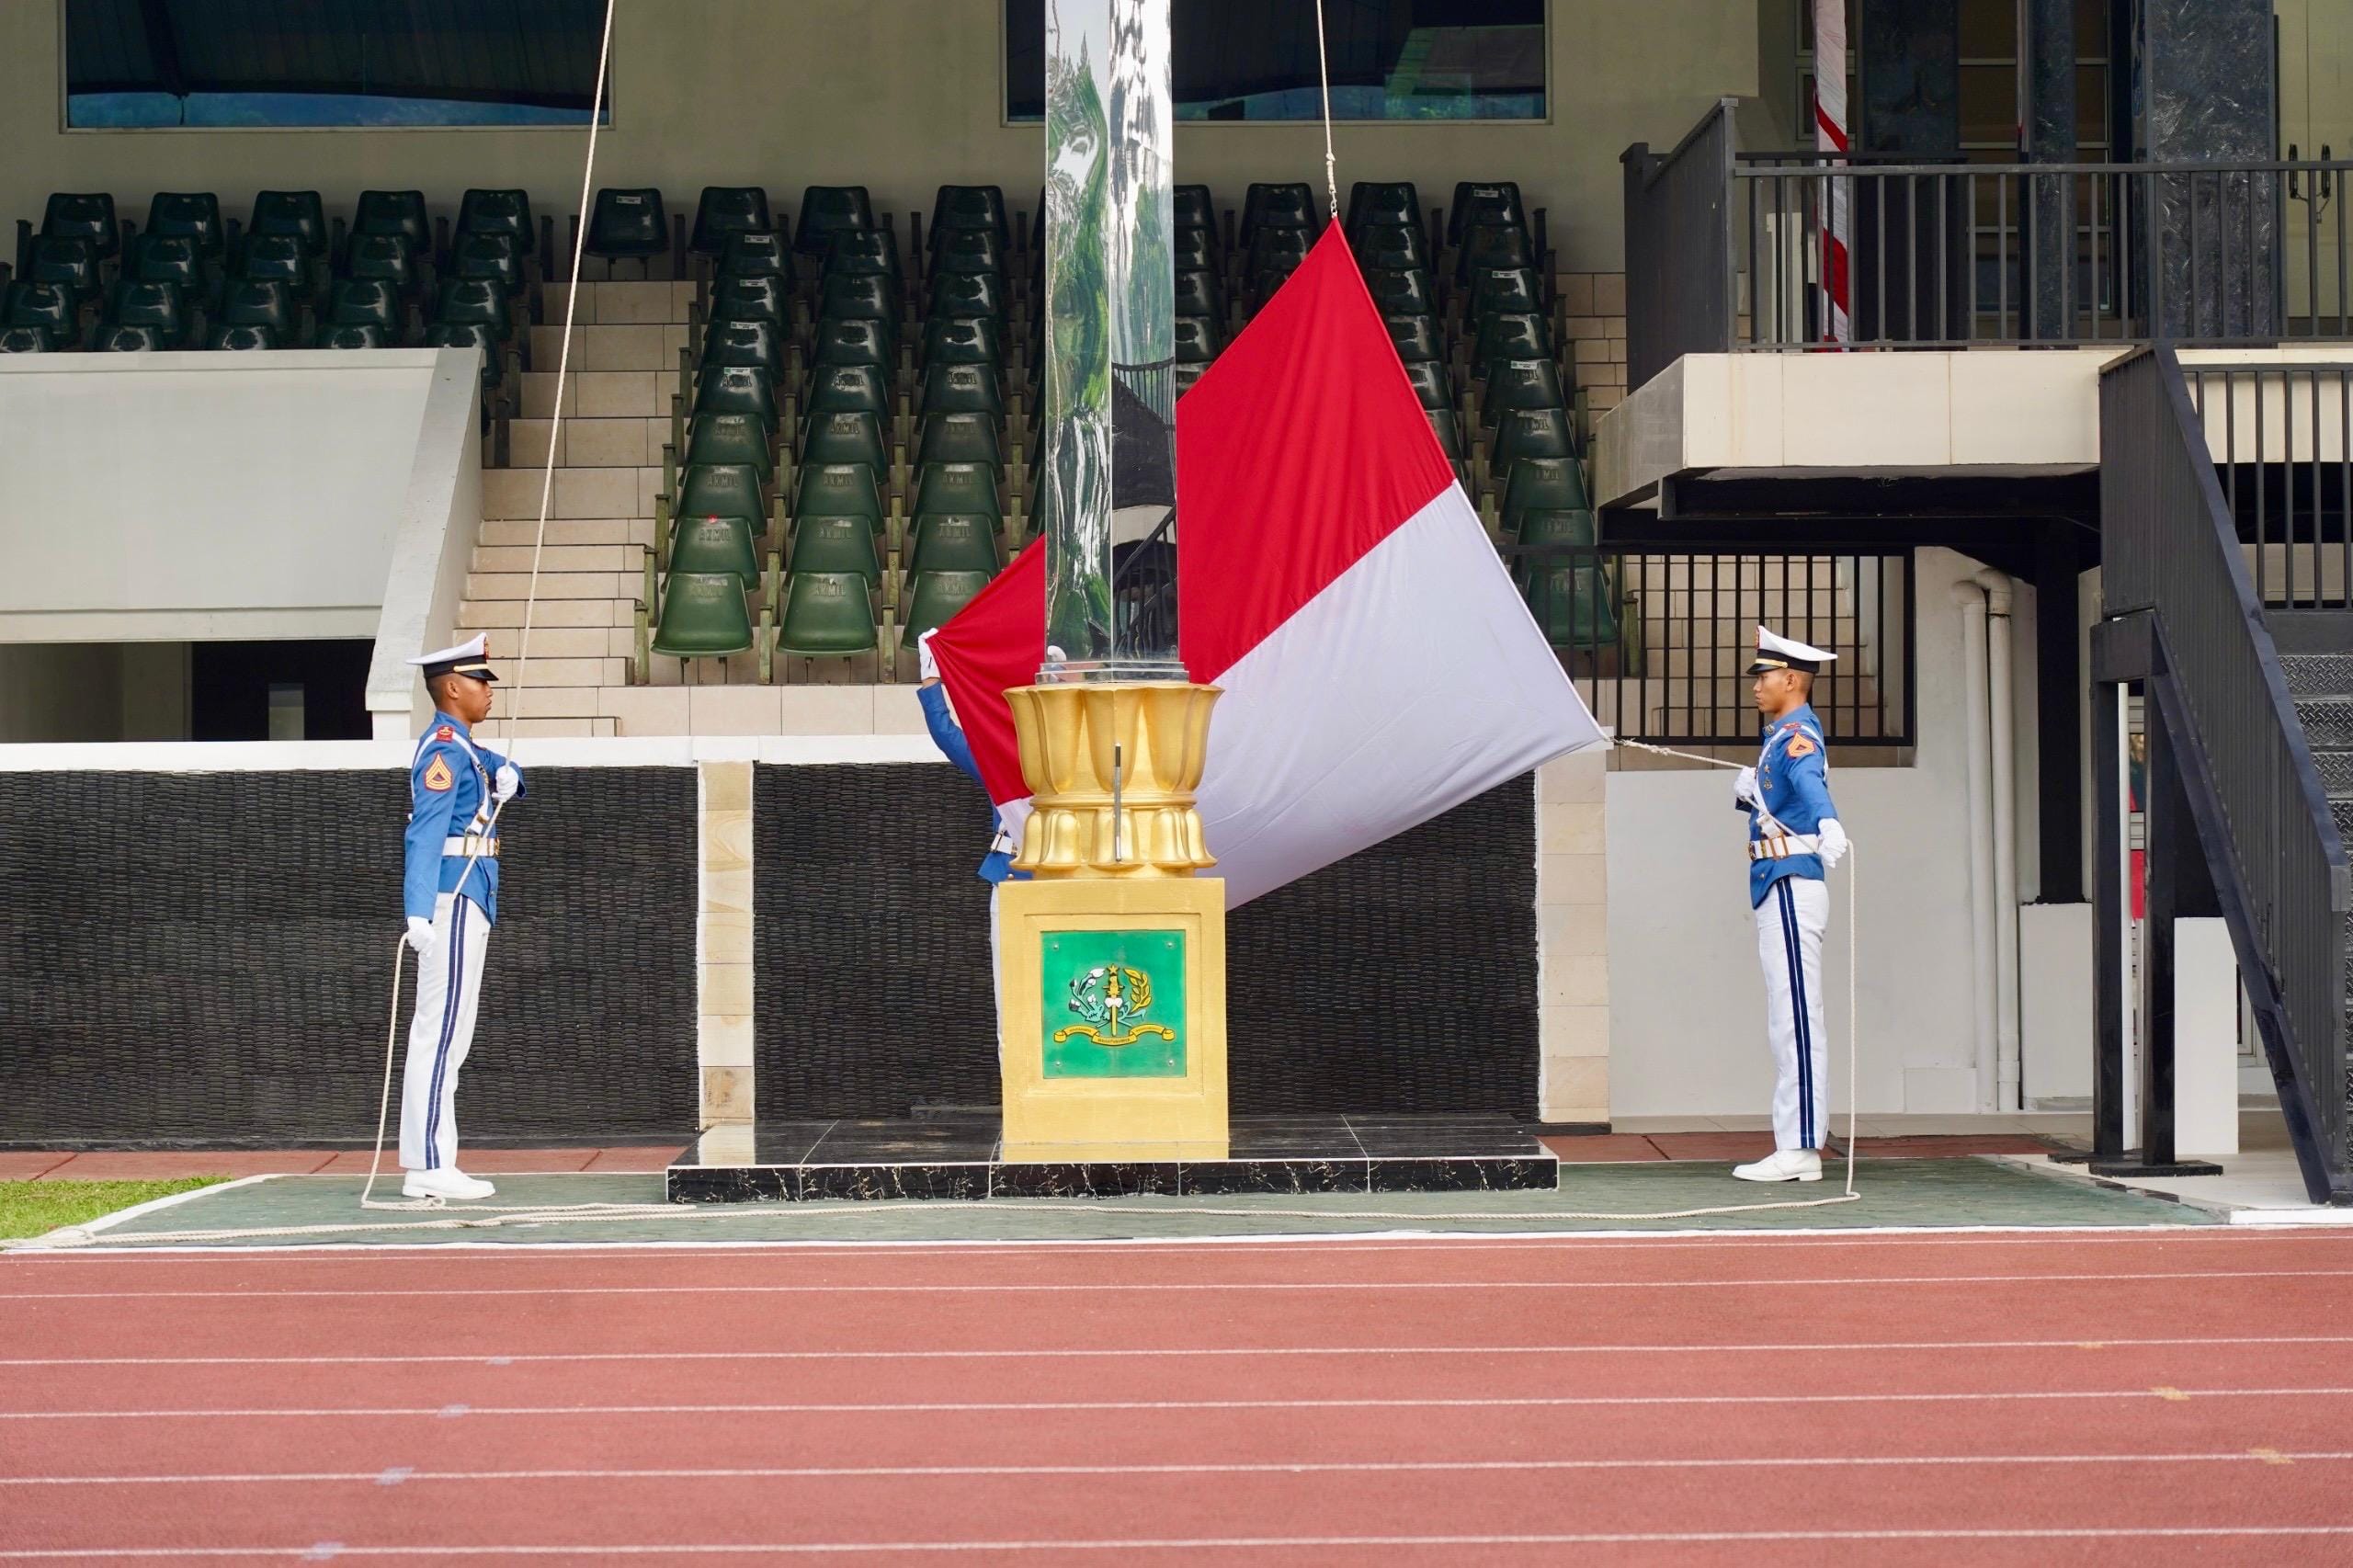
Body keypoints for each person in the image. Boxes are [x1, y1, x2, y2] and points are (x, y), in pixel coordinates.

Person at [396, 633, 524, 1201]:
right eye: (480, 681)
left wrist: (511, 778)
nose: (488, 692)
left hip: (471, 893)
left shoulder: (461, 747)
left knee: (451, 1035)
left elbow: (496, 768)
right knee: (440, 1033)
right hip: (450, 900)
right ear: (452, 687)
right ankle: (426, 1163)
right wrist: (418, 912)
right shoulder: (445, 750)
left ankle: (435, 1159)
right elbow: (423, 835)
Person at [1730, 626, 1851, 1184]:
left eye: (1765, 675)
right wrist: (1748, 791)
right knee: (1787, 1014)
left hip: (1790, 881)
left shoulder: (1797, 734)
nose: (1756, 685)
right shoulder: (1779, 736)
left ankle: (1801, 1146)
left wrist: (1828, 820)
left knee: (1796, 1016)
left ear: (1792, 679)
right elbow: (1782, 792)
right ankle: (1796, 1142)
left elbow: (1807, 781)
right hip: (1776, 879)